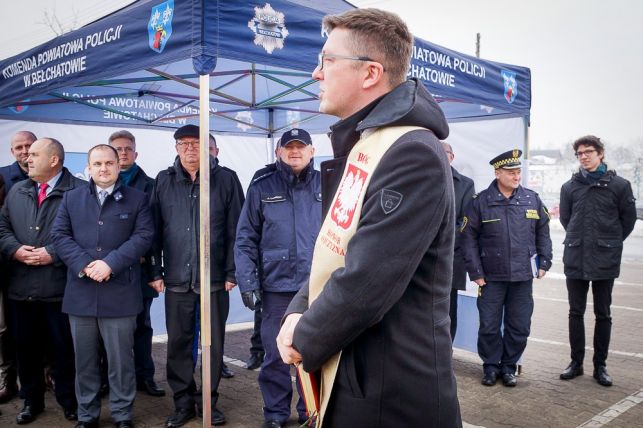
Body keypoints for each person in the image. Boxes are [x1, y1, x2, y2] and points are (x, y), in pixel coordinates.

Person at [276, 8, 461, 427]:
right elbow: (336, 248)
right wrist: (297, 310)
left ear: (370, 73)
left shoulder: (411, 152)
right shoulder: (371, 143)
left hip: (389, 395)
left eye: (327, 61)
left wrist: (302, 335)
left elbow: (369, 280)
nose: (316, 73)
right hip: (360, 376)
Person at [51, 144, 154, 428]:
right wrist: (85, 264)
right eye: (97, 164)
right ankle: (87, 415)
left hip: (120, 293)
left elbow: (144, 236)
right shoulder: (71, 198)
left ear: (119, 165)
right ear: (89, 167)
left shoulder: (138, 199)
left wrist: (110, 263)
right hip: (81, 293)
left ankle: (122, 414)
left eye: (109, 163)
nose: (103, 168)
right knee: (84, 361)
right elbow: (59, 236)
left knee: (121, 361)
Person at [147, 125, 244, 427]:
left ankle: (208, 402)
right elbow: (153, 230)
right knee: (178, 345)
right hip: (177, 280)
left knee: (212, 345)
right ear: (176, 147)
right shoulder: (163, 180)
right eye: (184, 143)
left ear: (207, 147)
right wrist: (155, 270)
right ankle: (183, 403)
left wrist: (232, 271)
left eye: (196, 143)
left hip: (214, 280)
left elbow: (237, 230)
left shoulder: (226, 179)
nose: (190, 148)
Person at [236, 128, 321, 428]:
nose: (295, 151)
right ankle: (275, 414)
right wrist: (248, 282)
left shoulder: (328, 183)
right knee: (275, 355)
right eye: (289, 147)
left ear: (312, 151)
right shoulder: (262, 186)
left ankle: (311, 411)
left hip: (317, 287)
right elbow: (245, 238)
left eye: (301, 146)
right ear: (279, 152)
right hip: (277, 288)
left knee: (314, 354)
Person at [0, 138, 83, 424]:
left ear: (54, 160)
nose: (28, 159)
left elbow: (86, 234)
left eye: (35, 154)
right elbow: (2, 227)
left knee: (65, 351)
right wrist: (15, 249)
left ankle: (70, 402)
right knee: (26, 351)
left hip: (61, 290)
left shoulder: (79, 191)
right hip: (21, 289)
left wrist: (53, 254)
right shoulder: (18, 190)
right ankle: (31, 402)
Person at [461, 149, 552, 387]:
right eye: (511, 172)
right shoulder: (481, 201)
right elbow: (468, 239)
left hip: (522, 277)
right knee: (489, 326)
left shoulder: (531, 199)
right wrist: (476, 273)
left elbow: (543, 232)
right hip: (491, 278)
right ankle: (491, 367)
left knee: (519, 326)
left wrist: (544, 261)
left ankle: (509, 367)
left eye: (518, 172)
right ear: (497, 173)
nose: (516, 176)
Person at [558, 135, 637, 387]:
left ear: (600, 153)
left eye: (588, 152)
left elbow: (628, 221)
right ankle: (576, 363)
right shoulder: (569, 187)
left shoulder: (620, 186)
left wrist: (609, 241)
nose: (583, 156)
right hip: (576, 256)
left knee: (603, 313)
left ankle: (600, 366)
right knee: (575, 312)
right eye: (579, 153)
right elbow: (566, 220)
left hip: (605, 257)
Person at [108, 130, 165, 397]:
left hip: (141, 270)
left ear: (136, 153)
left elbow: (155, 231)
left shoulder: (152, 185)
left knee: (141, 326)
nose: (123, 153)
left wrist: (154, 269)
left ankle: (145, 376)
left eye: (127, 148)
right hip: (108, 270)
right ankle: (110, 379)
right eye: (118, 149)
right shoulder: (99, 184)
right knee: (107, 330)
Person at [0, 130, 36, 403]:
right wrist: (14, 250)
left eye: (29, 146)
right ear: (12, 151)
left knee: (43, 327)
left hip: (44, 265)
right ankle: (9, 378)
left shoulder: (52, 176)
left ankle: (47, 375)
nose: (24, 151)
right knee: (7, 330)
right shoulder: (3, 177)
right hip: (10, 266)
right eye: (19, 147)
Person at [442, 142, 475, 340]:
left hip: (451, 257)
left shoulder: (465, 184)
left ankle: (446, 352)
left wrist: (441, 240)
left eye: (443, 152)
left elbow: (465, 222)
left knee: (448, 311)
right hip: (422, 258)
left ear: (452, 157)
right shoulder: (422, 180)